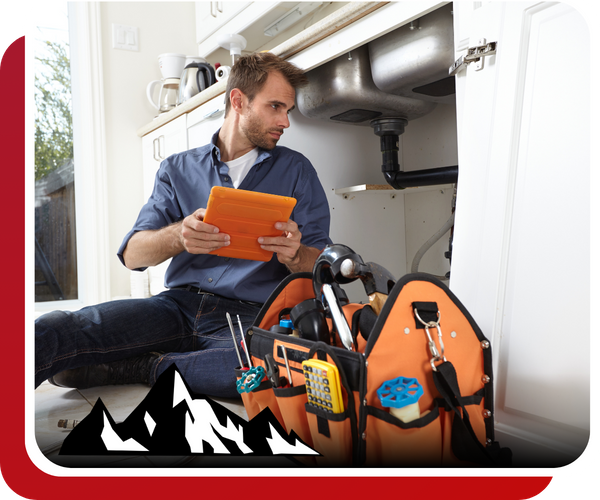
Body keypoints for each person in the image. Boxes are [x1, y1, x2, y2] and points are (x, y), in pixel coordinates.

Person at [35, 52, 331, 398]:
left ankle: (141, 366)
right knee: (58, 328)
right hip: (174, 307)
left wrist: (295, 254)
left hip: (249, 314)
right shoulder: (177, 169)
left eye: (288, 111)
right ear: (239, 101)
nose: (286, 122)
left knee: (273, 365)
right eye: (275, 107)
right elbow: (133, 255)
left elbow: (320, 264)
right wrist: (180, 235)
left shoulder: (297, 170)